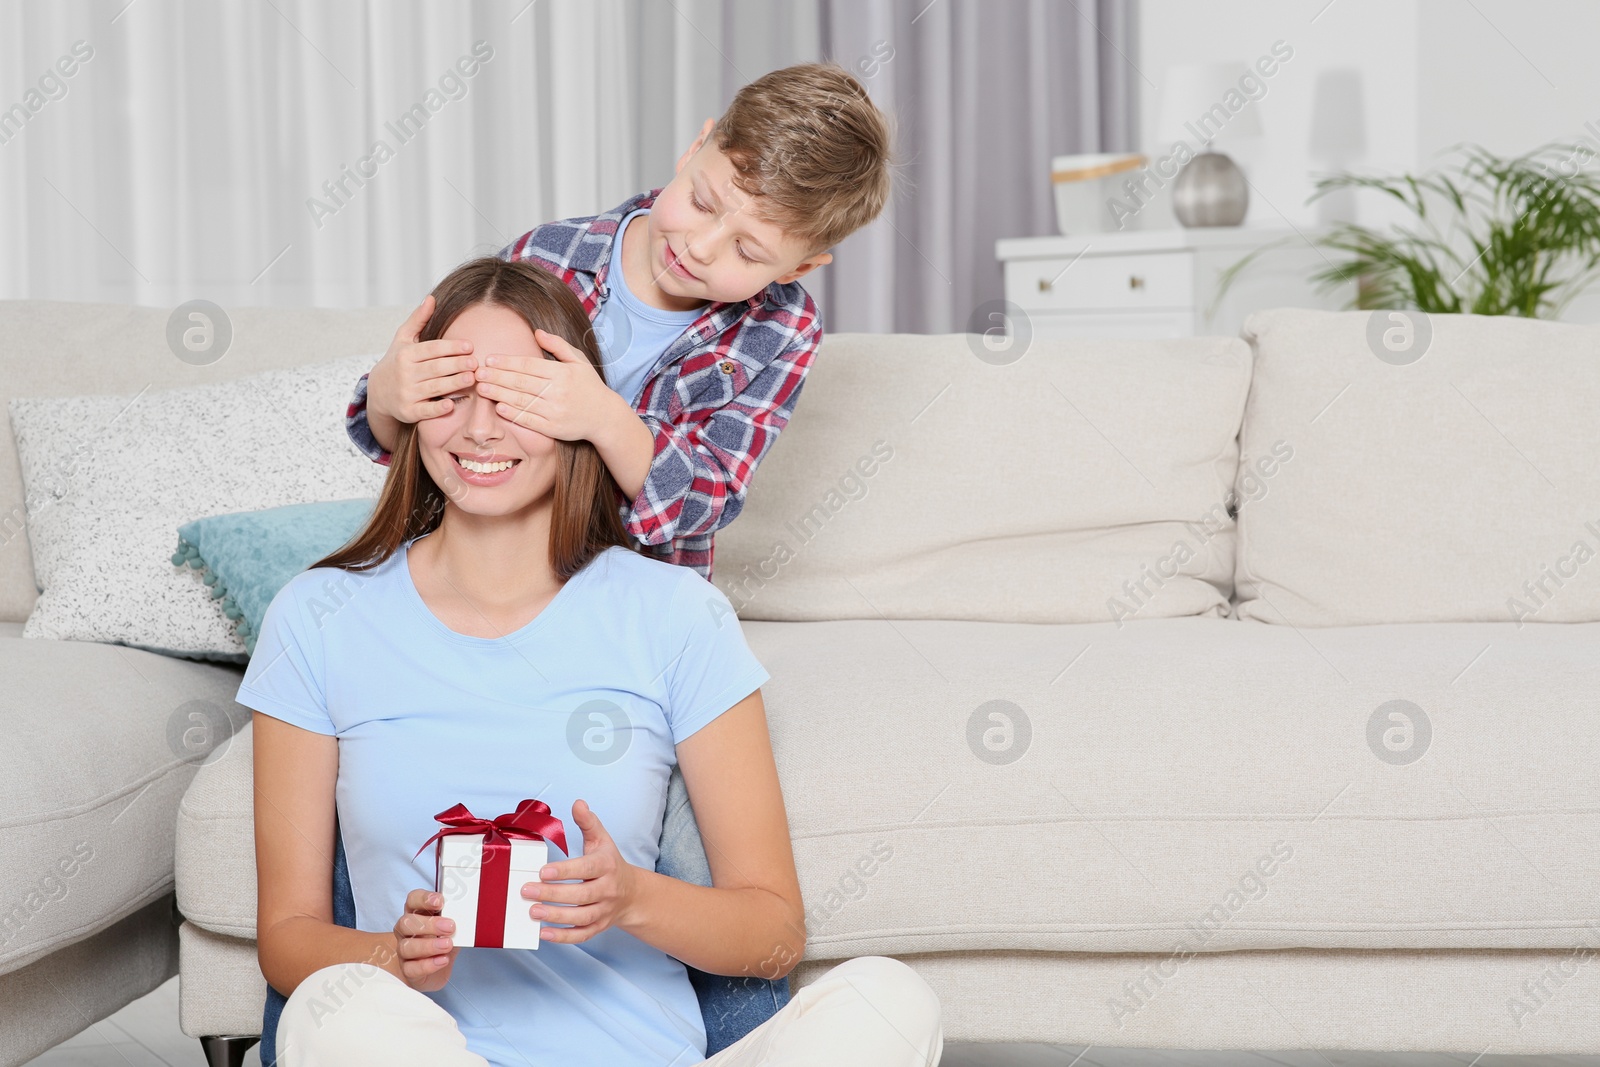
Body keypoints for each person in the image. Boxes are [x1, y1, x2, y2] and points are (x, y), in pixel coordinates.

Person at [242, 256, 942, 1066]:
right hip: (424, 1049)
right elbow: (286, 938)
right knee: (338, 1013)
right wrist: (393, 959)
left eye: (516, 397)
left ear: (580, 407)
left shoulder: (674, 613)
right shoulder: (319, 615)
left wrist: (634, 898)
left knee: (890, 1001)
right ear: (409, 404)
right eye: (451, 393)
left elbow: (774, 933)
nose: (480, 429)